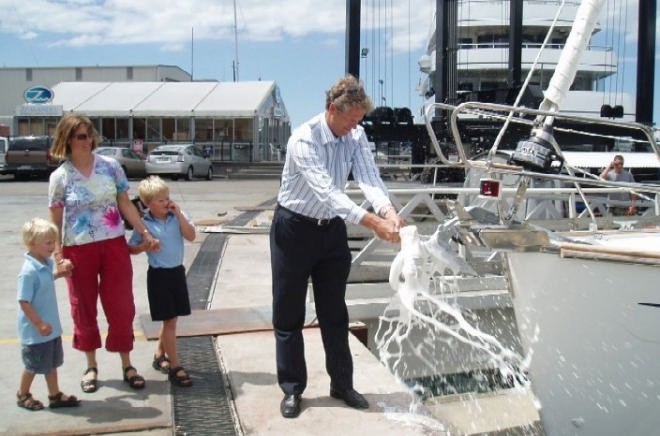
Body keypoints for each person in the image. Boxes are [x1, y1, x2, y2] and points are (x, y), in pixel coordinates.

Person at [270, 74, 404, 418]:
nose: (355, 127)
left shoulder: (355, 134)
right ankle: (293, 389)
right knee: (289, 314)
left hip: (330, 232)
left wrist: (388, 210)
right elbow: (328, 192)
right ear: (333, 109)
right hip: (294, 231)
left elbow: (369, 178)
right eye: (351, 119)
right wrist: (373, 222)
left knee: (335, 312)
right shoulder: (303, 139)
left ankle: (342, 384)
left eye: (359, 120)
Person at [48, 113, 158, 393]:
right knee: (83, 307)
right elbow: (55, 220)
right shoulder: (59, 177)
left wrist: (144, 232)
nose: (88, 141)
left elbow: (126, 205)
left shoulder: (110, 167)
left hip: (113, 244)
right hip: (78, 248)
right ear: (68, 139)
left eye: (90, 135)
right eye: (81, 136)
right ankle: (91, 365)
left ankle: (127, 364)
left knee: (121, 304)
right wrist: (58, 255)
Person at [128, 175, 195, 388]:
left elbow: (191, 236)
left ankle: (159, 354)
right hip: (159, 276)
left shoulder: (177, 217)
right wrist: (145, 246)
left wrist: (179, 215)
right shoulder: (144, 225)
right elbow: (131, 249)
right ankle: (175, 366)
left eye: (167, 198)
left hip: (177, 272)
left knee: (172, 319)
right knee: (170, 321)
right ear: (148, 204)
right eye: (160, 200)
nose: (166, 202)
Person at [16, 218, 81, 411]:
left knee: (51, 364)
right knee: (33, 366)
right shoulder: (28, 272)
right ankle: (23, 394)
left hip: (50, 329)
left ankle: (54, 395)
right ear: (31, 243)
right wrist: (38, 324)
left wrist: (58, 275)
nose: (52, 247)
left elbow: (43, 283)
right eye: (48, 243)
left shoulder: (43, 264)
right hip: (37, 332)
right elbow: (24, 301)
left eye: (53, 242)